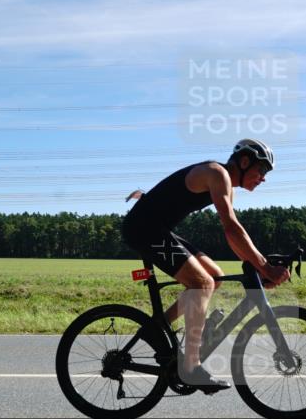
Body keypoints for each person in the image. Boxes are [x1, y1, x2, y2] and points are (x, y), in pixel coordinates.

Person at [121, 138, 290, 392]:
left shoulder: (226, 184)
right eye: (262, 170)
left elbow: (232, 236)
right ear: (244, 162)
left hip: (157, 228)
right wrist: (265, 267)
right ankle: (191, 367)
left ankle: (156, 328)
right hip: (144, 229)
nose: (263, 178)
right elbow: (232, 228)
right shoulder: (216, 173)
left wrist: (255, 266)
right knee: (201, 283)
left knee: (216, 277)